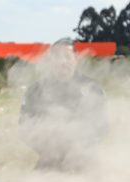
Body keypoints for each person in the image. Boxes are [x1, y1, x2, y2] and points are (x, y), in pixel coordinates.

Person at [18, 39, 108, 172]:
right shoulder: (36, 90)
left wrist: (80, 146)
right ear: (51, 61)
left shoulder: (92, 88)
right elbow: (25, 126)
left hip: (84, 158)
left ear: (76, 59)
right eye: (57, 57)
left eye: (67, 56)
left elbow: (101, 125)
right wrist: (48, 147)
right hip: (49, 158)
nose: (62, 62)